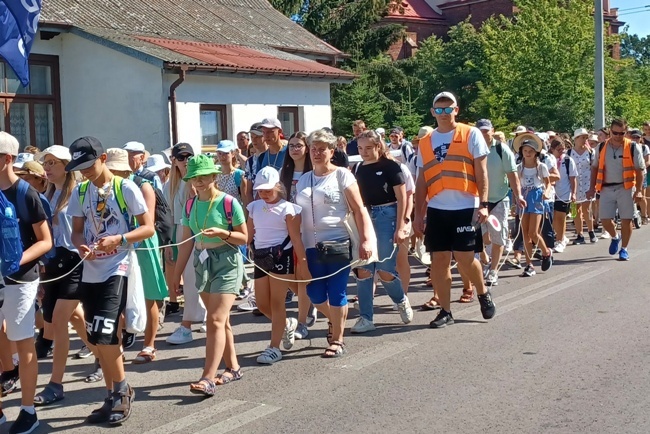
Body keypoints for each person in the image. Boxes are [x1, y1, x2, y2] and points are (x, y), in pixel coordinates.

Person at [67, 136, 155, 424]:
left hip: (118, 267)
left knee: (105, 333)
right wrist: (81, 246)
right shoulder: (80, 191)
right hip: (92, 270)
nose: (85, 172)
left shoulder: (125, 187)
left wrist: (120, 238)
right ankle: (112, 393)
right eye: (80, 167)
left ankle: (120, 392)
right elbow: (77, 232)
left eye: (89, 165)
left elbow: (148, 228)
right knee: (98, 337)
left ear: (103, 159)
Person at [413, 92, 496, 328]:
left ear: (456, 110)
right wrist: (419, 214)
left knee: (465, 258)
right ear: (432, 112)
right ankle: (445, 310)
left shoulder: (471, 133)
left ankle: (482, 292)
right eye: (439, 110)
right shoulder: (427, 141)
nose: (443, 114)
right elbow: (421, 181)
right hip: (438, 208)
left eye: (448, 109)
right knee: (439, 260)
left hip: (465, 205)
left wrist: (484, 204)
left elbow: (481, 172)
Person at [172, 155, 246, 396]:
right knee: (221, 321)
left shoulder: (228, 203)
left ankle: (207, 378)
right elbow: (185, 243)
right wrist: (175, 276)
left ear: (214, 176)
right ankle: (233, 368)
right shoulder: (190, 205)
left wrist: (223, 233)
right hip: (202, 263)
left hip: (227, 261)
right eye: (194, 177)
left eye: (203, 176)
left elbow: (244, 238)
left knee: (214, 319)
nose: (199, 181)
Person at [296, 129, 374, 357]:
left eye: (322, 149)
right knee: (315, 294)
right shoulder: (303, 180)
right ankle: (336, 320)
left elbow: (359, 209)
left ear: (332, 151)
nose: (317, 153)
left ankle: (338, 340)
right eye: (313, 149)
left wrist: (366, 239)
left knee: (337, 292)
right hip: (310, 245)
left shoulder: (342, 175)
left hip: (338, 243)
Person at [0, 132, 53, 434]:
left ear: (7, 159)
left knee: (22, 343)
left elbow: (46, 241)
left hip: (20, 280)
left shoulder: (26, 193)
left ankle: (28, 410)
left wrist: (15, 260)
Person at [33, 146, 91, 407]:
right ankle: (106, 355)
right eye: (45, 162)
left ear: (67, 166)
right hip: (53, 263)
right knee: (75, 317)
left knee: (57, 321)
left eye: (53, 162)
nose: (47, 167)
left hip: (75, 261)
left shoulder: (79, 192)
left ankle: (55, 383)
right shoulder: (47, 194)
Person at [105, 149, 168, 364]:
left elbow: (147, 223)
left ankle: (149, 344)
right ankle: (118, 346)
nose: (114, 173)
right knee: (117, 297)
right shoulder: (106, 189)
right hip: (118, 246)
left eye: (117, 169)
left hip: (142, 244)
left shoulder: (143, 185)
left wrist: (125, 238)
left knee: (149, 295)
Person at [351, 130, 413, 333]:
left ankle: (400, 299)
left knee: (385, 269)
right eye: (361, 148)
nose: (364, 152)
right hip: (366, 216)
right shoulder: (358, 167)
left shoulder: (391, 166)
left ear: (378, 146)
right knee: (364, 268)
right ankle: (366, 318)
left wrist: (402, 224)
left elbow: (402, 197)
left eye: (368, 148)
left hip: (388, 214)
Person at [247, 167, 309, 364]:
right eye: (260, 190)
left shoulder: (289, 208)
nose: (263, 194)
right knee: (262, 303)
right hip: (261, 256)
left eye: (268, 190)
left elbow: (296, 239)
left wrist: (304, 265)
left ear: (277, 186)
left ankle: (274, 347)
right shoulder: (254, 207)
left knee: (277, 302)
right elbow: (249, 235)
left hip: (283, 256)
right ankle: (287, 324)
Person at [164, 143, 206, 344]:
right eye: (181, 157)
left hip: (198, 230)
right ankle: (192, 319)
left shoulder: (195, 181)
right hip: (181, 231)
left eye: (189, 156)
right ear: (174, 161)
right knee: (189, 278)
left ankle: (189, 323)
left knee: (197, 277)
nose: (186, 160)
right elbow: (169, 217)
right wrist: (171, 243)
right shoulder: (169, 185)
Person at [587, 119, 645, 261]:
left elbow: (640, 170)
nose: (618, 135)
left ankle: (624, 249)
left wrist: (638, 190)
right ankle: (615, 236)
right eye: (615, 133)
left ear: (626, 132)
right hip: (606, 188)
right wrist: (591, 188)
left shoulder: (632, 147)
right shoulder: (601, 147)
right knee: (605, 220)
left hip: (625, 187)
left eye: (622, 133)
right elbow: (594, 168)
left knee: (626, 220)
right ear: (610, 131)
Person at [476, 119, 524, 286]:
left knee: (498, 237)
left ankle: (494, 271)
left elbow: (512, 175)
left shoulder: (501, 149)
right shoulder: (473, 149)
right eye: (480, 131)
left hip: (499, 199)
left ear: (492, 130)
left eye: (486, 131)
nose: (483, 134)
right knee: (480, 237)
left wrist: (518, 196)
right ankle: (484, 259)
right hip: (479, 200)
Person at [279, 132, 317, 338]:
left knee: (303, 276)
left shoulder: (314, 172)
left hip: (310, 229)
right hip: (288, 230)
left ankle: (302, 320)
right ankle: (310, 301)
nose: (294, 149)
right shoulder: (283, 172)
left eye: (299, 145)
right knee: (289, 277)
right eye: (291, 146)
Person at [514, 133, 554, 277]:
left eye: (531, 151)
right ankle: (529, 264)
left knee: (533, 232)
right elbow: (516, 185)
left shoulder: (541, 167)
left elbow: (548, 183)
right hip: (523, 196)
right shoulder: (519, 167)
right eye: (525, 151)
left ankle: (546, 252)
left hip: (536, 196)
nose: (528, 153)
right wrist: (515, 201)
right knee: (524, 232)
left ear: (536, 152)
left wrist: (547, 192)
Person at [569, 129, 597, 244]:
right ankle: (579, 233)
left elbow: (594, 168)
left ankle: (591, 231)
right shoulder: (569, 153)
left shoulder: (591, 152)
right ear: (576, 139)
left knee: (587, 208)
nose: (584, 140)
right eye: (582, 137)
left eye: (586, 137)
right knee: (576, 210)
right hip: (574, 184)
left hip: (587, 183)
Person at [549, 139, 577, 253]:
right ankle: (561, 236)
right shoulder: (549, 160)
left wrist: (574, 193)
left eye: (563, 149)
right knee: (554, 218)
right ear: (552, 149)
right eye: (558, 149)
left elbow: (573, 178)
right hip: (551, 192)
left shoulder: (568, 160)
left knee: (561, 217)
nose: (561, 151)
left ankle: (560, 240)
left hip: (564, 193)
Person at [244, 123, 269, 206]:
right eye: (252, 137)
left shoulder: (272, 156)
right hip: (258, 206)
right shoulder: (250, 161)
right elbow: (248, 191)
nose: (254, 140)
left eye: (258, 137)